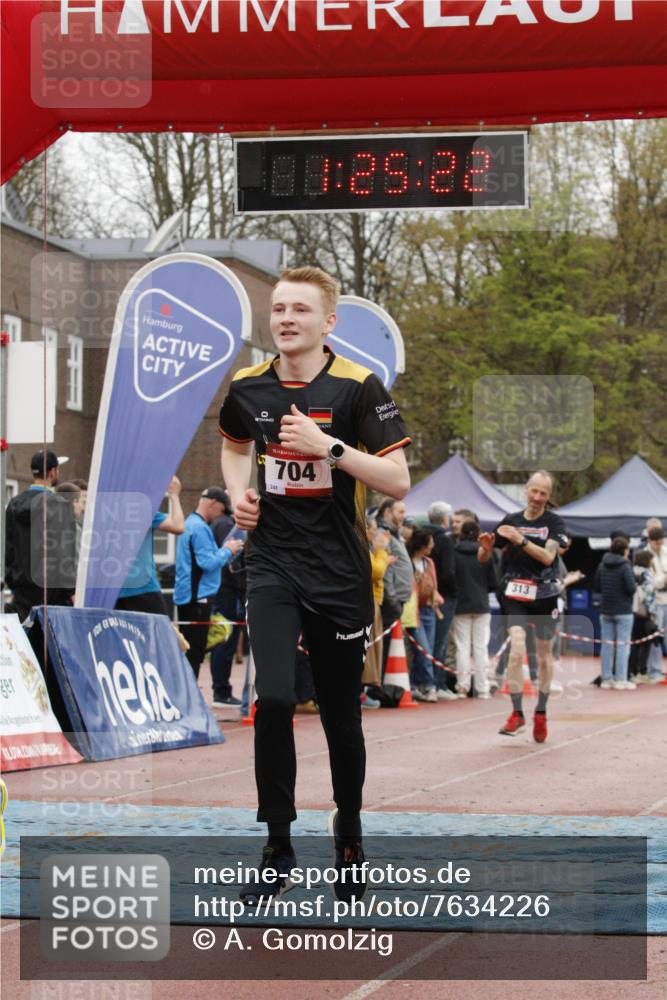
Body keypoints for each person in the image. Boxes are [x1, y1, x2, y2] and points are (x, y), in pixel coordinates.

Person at [219, 266, 410, 904]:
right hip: (272, 562)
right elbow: (233, 442)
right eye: (278, 309)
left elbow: (398, 480)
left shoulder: (360, 387)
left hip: (339, 569)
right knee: (272, 699)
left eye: (300, 309)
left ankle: (348, 828)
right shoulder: (248, 385)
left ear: (329, 322)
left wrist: (328, 448)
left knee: (338, 714)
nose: (286, 319)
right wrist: (240, 491)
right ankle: (277, 841)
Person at [478, 470, 569, 743]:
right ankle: (517, 713)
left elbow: (548, 556)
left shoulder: (554, 522)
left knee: (543, 658)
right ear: (526, 490)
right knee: (517, 652)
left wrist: (522, 540)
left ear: (548, 496)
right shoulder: (511, 520)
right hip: (516, 593)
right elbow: (485, 556)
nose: (537, 498)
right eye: (534, 491)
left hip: (544, 594)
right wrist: (485, 547)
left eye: (543, 493)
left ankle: (540, 712)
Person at [173, 487, 243, 679]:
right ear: (214, 504)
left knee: (191, 650)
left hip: (189, 595)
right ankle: (190, 702)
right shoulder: (200, 528)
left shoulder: (190, 524)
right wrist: (228, 550)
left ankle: (188, 699)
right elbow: (208, 562)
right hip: (197, 598)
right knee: (194, 653)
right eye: (221, 511)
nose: (220, 517)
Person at [4, 450, 76, 620]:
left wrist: (13, 585)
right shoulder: (60, 506)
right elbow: (64, 552)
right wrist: (71, 591)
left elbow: (8, 549)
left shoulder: (14, 505)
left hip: (23, 593)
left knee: (27, 644)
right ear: (52, 472)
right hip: (52, 594)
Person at [115, 476, 185, 616]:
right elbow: (178, 526)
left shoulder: (103, 510)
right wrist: (174, 496)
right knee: (158, 635)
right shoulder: (141, 510)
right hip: (143, 587)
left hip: (112, 590)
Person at [209, 491, 246, 707]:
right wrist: (241, 588)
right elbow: (232, 562)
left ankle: (221, 690)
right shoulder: (226, 526)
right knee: (225, 640)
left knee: (222, 639)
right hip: (228, 592)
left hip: (223, 590)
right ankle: (221, 691)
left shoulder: (218, 524)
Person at [452, 519, 496, 699]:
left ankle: (462, 686)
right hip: (481, 603)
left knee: (462, 647)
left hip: (461, 603)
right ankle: (482, 687)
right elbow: (493, 581)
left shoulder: (454, 553)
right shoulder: (485, 553)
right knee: (480, 646)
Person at [425, 501, 458, 700]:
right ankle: (437, 683)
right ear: (445, 519)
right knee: (440, 641)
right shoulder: (445, 539)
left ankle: (428, 682)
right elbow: (448, 571)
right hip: (443, 596)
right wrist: (454, 591)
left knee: (428, 641)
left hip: (425, 594)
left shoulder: (422, 534)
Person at [376, 497, 413, 676]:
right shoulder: (384, 534)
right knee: (383, 644)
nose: (403, 516)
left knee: (389, 645)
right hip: (390, 600)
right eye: (400, 512)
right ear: (387, 512)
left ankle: (381, 685)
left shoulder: (395, 534)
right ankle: (376, 687)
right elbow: (387, 570)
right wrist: (392, 599)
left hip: (397, 598)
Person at [594, 535, 636, 689]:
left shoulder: (602, 565)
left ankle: (606, 679)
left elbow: (597, 587)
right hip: (623, 610)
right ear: (625, 551)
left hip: (606, 610)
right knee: (623, 645)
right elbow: (631, 589)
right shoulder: (625, 566)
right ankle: (620, 679)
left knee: (606, 645)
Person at [406, 528, 440, 702]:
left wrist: (436, 598)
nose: (433, 545)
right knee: (423, 649)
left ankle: (416, 684)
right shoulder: (408, 561)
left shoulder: (429, 562)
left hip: (429, 609)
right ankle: (429, 685)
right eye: (430, 542)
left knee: (427, 650)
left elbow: (434, 584)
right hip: (414, 611)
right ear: (422, 545)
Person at [629, 549, 659, 683]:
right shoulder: (647, 574)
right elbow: (649, 595)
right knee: (645, 644)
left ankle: (632, 671)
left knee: (634, 643)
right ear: (647, 561)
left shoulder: (630, 570)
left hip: (632, 611)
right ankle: (642, 671)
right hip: (644, 613)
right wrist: (653, 614)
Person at [645, 525, 667, 680]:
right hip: (656, 600)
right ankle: (655, 670)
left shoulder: (666, 551)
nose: (659, 546)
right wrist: (663, 580)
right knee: (656, 637)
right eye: (657, 543)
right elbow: (649, 581)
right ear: (650, 541)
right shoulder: (645, 555)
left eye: (661, 542)